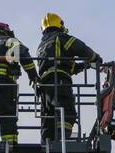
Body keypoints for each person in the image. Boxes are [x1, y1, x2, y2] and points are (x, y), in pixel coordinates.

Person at [35, 12, 102, 141]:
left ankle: (45, 145)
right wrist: (95, 58)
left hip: (44, 86)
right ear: (60, 25)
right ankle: (62, 141)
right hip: (59, 81)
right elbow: (81, 48)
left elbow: (63, 64)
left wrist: (84, 65)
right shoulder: (61, 37)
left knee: (48, 117)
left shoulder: (41, 46)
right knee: (66, 112)